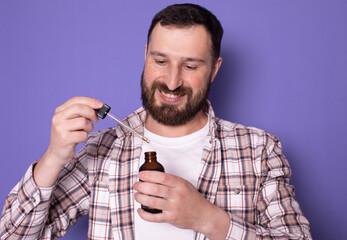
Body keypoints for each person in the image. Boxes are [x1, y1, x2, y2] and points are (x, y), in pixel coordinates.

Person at [0, 3, 311, 240]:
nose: (172, 82)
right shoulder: (103, 151)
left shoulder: (258, 150)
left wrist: (208, 219)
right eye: (160, 61)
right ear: (145, 55)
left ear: (214, 70)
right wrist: (54, 157)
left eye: (190, 66)